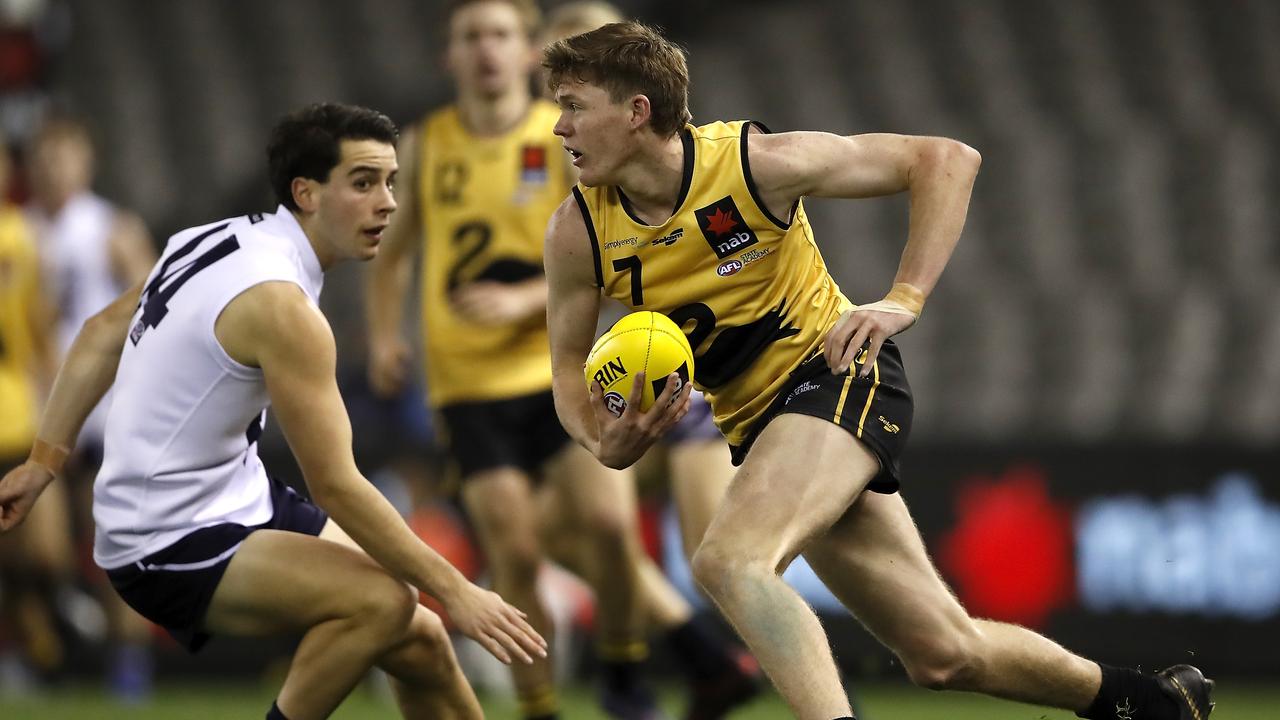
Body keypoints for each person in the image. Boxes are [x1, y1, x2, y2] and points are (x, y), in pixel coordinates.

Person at [542, 21, 1215, 720]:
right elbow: (565, 371)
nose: (559, 126)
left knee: (728, 561)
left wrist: (905, 298)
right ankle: (1152, 705)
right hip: (766, 429)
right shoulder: (577, 231)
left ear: (637, 111)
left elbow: (946, 160)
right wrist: (598, 438)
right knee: (943, 653)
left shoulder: (753, 165)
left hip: (837, 379)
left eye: (572, 104)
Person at [0, 102, 546, 720]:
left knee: (418, 635)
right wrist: (461, 591)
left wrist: (43, 462)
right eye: (364, 182)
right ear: (306, 193)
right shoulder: (284, 308)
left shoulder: (212, 236)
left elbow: (101, 331)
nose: (388, 202)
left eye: (391, 182)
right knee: (386, 602)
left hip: (229, 496)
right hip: (165, 537)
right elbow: (337, 485)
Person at [366, 3, 753, 719]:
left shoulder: (566, 143)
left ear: (527, 54)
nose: (485, 49)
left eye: (500, 35)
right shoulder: (426, 144)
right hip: (467, 384)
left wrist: (520, 304)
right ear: (448, 57)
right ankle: (540, 707)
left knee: (609, 526)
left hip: (560, 370)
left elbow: (601, 251)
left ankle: (622, 672)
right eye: (470, 37)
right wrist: (384, 333)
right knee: (513, 551)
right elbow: (395, 250)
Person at [23, 112, 160, 699]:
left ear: (86, 162)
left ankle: (129, 662)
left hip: (102, 409)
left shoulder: (110, 227)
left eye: (65, 156)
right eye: (44, 158)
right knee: (40, 551)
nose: (54, 169)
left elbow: (156, 305)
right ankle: (59, 626)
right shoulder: (19, 231)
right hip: (34, 407)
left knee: (112, 541)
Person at [0, 131, 62, 686]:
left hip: (16, 412)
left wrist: (56, 394)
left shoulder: (23, 236)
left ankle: (50, 629)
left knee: (40, 555)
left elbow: (39, 325)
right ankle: (24, 653)